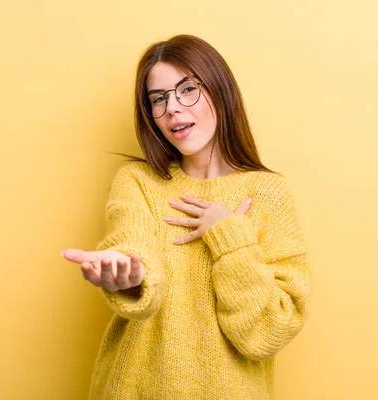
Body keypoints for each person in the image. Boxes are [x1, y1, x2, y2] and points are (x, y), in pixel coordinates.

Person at [61, 34, 311, 400]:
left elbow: (268, 332)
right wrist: (129, 274)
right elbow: (135, 246)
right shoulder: (139, 181)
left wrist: (229, 235)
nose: (172, 109)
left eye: (187, 89)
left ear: (221, 91)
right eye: (158, 99)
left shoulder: (269, 194)